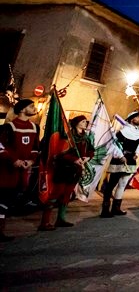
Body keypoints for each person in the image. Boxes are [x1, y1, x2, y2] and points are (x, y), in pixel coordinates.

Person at [38, 114, 95, 230]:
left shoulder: (86, 137)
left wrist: (88, 157)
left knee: (67, 194)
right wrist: (74, 159)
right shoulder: (68, 137)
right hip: (64, 169)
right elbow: (60, 153)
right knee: (56, 194)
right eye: (83, 121)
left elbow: (91, 150)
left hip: (76, 170)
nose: (86, 123)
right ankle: (45, 222)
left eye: (86, 121)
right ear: (76, 124)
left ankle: (61, 218)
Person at [0, 99, 39, 240]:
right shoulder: (9, 127)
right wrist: (13, 160)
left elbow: (35, 148)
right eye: (31, 106)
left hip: (23, 170)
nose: (34, 108)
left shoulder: (35, 127)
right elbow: (1, 146)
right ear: (22, 110)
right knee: (2, 201)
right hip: (7, 171)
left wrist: (30, 160)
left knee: (9, 201)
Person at [101, 111, 139, 218]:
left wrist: (137, 154)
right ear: (131, 119)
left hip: (130, 159)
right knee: (112, 184)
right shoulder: (122, 131)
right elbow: (115, 145)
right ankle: (105, 209)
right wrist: (120, 156)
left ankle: (116, 208)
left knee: (123, 183)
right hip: (120, 158)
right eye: (137, 117)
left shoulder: (138, 133)